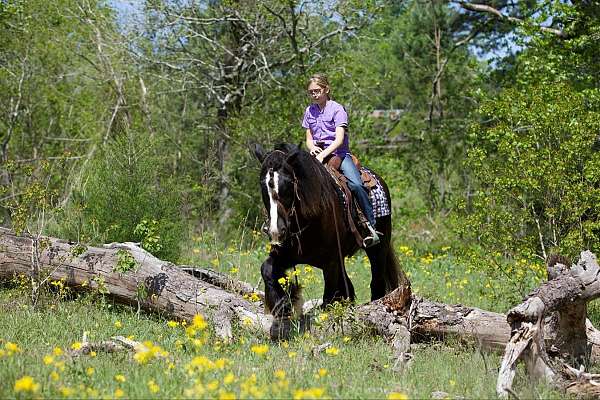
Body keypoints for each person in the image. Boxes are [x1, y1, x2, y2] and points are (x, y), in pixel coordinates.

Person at [301, 73, 380, 247]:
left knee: (357, 185)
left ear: (326, 89)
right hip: (317, 155)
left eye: (317, 91)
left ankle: (369, 226)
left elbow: (338, 140)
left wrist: (323, 154)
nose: (314, 95)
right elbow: (308, 137)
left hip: (339, 154)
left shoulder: (337, 109)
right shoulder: (309, 111)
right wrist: (312, 148)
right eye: (311, 92)